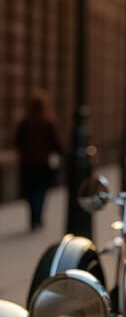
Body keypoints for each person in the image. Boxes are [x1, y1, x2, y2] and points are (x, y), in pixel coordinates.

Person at [14, 90, 64, 231]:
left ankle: (33, 217)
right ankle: (38, 217)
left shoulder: (25, 122)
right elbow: (57, 143)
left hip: (28, 163)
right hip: (43, 164)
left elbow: (17, 142)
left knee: (30, 191)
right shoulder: (48, 122)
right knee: (41, 191)